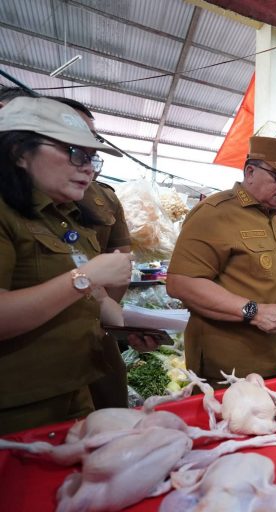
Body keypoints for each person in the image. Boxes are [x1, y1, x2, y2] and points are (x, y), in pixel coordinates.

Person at [0, 97, 131, 434]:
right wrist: (85, 278)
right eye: (75, 153)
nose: (88, 167)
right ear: (19, 152)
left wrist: (122, 326)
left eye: (92, 158)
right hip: (19, 407)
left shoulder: (66, 217)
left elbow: (86, 297)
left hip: (76, 390)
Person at [166, 136, 276, 383]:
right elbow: (181, 282)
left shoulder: (271, 218)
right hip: (231, 370)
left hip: (275, 361)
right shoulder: (216, 214)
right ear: (250, 172)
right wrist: (253, 311)